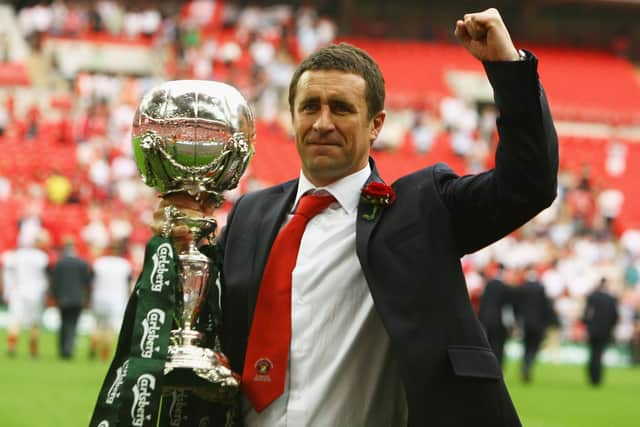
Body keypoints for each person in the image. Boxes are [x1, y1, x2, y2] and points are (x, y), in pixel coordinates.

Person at [158, 8, 558, 426]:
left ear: (376, 125)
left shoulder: (420, 211)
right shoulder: (250, 215)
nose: (323, 123)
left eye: (342, 108)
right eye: (310, 107)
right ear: (292, 117)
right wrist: (176, 242)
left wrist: (507, 67)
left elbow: (528, 184)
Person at [4, 233, 50, 358]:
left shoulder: (17, 255)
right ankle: (33, 350)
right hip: (36, 292)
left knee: (15, 319)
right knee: (34, 322)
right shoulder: (42, 257)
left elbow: (9, 273)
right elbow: (45, 276)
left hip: (18, 290)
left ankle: (11, 347)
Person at [89, 241, 132, 361]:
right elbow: (128, 285)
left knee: (97, 323)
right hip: (117, 299)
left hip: (99, 297)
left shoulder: (100, 262)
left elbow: (92, 281)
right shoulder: (125, 265)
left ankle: (94, 341)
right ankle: (105, 350)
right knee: (111, 326)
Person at [50, 238, 92, 359]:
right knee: (73, 324)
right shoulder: (82, 263)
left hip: (63, 298)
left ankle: (63, 350)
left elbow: (55, 282)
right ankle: (69, 349)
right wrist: (87, 298)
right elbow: (87, 282)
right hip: (78, 298)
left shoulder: (59, 263)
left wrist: (54, 296)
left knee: (63, 323)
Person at [515, 266, 558, 383]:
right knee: (534, 347)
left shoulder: (522, 287)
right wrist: (551, 322)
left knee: (526, 346)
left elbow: (517, 306)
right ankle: (528, 365)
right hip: (538, 324)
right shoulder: (541, 288)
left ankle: (525, 365)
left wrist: (517, 321)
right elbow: (546, 307)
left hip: (525, 323)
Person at [582, 277, 619, 386]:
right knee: (599, 354)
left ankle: (592, 377)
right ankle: (597, 378)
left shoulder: (592, 297)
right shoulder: (610, 298)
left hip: (593, 330)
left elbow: (586, 314)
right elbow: (615, 316)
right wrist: (610, 327)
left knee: (593, 353)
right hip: (605, 330)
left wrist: (588, 325)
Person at [478, 264, 516, 367]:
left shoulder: (488, 285)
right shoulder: (505, 287)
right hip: (499, 321)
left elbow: (483, 303)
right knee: (499, 345)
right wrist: (510, 324)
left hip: (486, 319)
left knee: (489, 344)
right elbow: (507, 308)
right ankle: (497, 365)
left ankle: (488, 365)